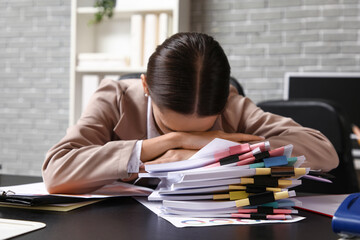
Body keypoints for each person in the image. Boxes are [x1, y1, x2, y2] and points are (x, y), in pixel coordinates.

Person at [42, 32, 338, 194]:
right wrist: (160, 147)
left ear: (222, 102)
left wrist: (228, 145)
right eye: (169, 126)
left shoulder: (232, 105)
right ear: (146, 86)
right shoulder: (114, 97)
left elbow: (325, 152)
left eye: (201, 130)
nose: (187, 138)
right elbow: (56, 172)